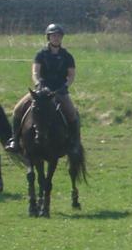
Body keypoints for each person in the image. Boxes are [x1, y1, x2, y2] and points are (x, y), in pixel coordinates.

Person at [5, 23, 82, 156]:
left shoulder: (67, 56)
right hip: (41, 91)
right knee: (17, 109)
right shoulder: (41, 54)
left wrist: (65, 86)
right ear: (49, 37)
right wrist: (38, 83)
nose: (56, 38)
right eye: (53, 36)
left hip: (59, 91)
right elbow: (35, 72)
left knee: (72, 113)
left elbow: (71, 75)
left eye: (58, 36)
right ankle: (15, 140)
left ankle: (74, 143)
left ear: (61, 38)